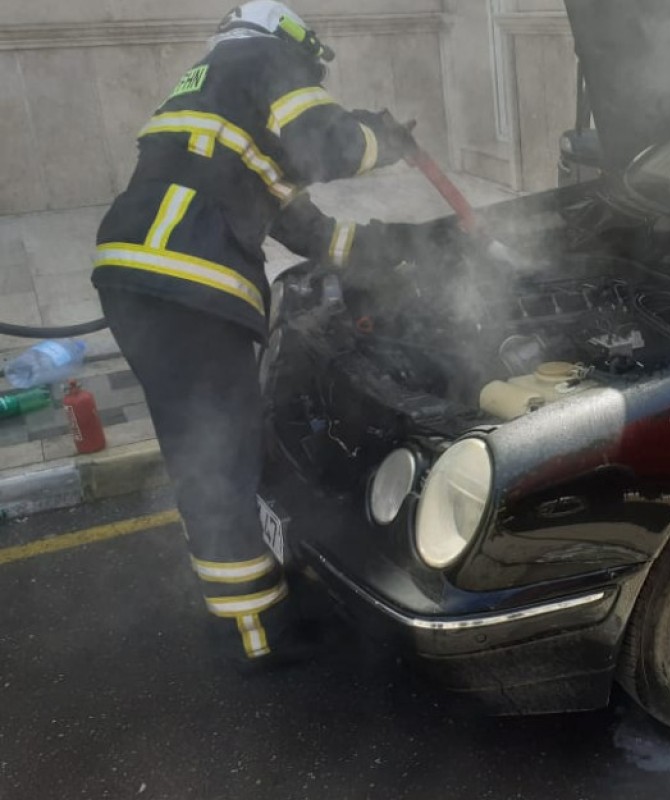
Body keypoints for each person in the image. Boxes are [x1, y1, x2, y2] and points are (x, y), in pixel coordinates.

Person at [91, 1, 421, 669]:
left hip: (142, 280)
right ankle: (255, 632)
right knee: (217, 459)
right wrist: (385, 138)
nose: (312, 83)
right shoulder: (262, 58)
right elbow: (333, 144)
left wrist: (395, 247)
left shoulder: (218, 89)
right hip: (184, 285)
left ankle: (255, 600)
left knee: (219, 445)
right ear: (292, 42)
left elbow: (301, 223)